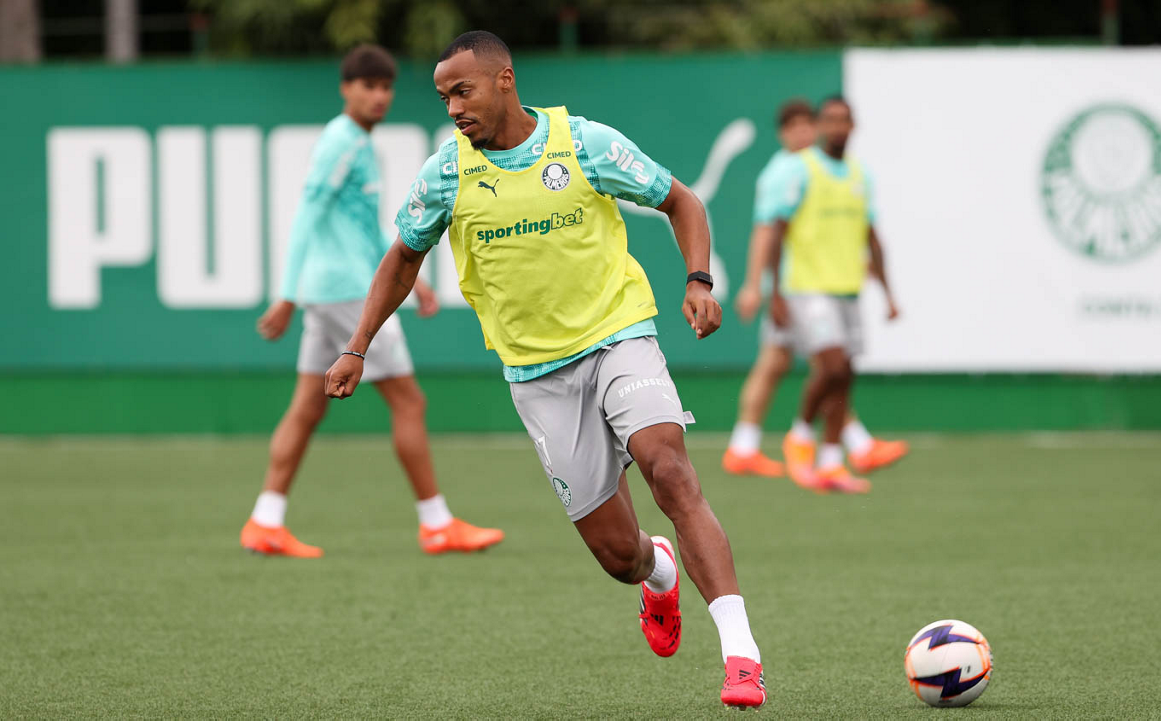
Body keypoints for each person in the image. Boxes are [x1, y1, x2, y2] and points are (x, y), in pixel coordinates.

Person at [323, 31, 767, 709]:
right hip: (537, 376)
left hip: (619, 333)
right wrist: (357, 345)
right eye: (444, 98)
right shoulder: (446, 173)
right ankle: (658, 572)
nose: (453, 108)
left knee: (669, 469)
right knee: (619, 557)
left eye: (463, 91)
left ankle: (742, 655)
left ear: (504, 80)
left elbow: (682, 200)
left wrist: (698, 279)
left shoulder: (583, 143)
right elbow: (403, 259)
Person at [242, 44, 504, 558]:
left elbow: (360, 226)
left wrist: (414, 279)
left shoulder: (355, 142)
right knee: (408, 401)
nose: (379, 96)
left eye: (386, 87)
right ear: (346, 89)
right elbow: (308, 214)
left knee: (307, 408)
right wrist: (286, 294)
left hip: (330, 290)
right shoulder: (343, 142)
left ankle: (265, 521)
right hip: (344, 294)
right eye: (369, 86)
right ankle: (436, 523)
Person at [758, 96, 909, 493]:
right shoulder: (801, 170)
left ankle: (830, 463)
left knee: (845, 377)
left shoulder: (861, 175)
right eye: (831, 120)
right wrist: (774, 292)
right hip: (807, 288)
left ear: (853, 126)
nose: (838, 127)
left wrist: (888, 293)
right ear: (821, 126)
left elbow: (872, 237)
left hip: (847, 289)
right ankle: (799, 435)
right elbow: (776, 231)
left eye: (845, 120)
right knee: (833, 366)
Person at [722, 99, 815, 477]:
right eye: (794, 127)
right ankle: (850, 443)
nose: (803, 132)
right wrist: (753, 286)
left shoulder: (815, 167)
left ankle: (743, 446)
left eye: (808, 124)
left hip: (807, 282)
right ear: (782, 134)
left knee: (778, 360)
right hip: (791, 286)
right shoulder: (783, 173)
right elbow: (764, 231)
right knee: (829, 363)